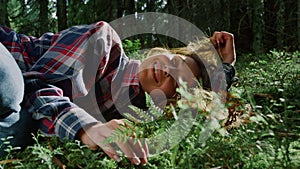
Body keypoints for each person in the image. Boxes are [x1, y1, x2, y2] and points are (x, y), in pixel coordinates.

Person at [0, 21, 236, 165]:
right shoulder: (104, 42)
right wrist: (88, 128)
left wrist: (226, 69)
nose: (167, 72)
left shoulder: (128, 117)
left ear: (170, 105)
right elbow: (35, 85)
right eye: (175, 62)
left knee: (19, 129)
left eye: (177, 82)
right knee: (13, 93)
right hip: (9, 60)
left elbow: (206, 111)